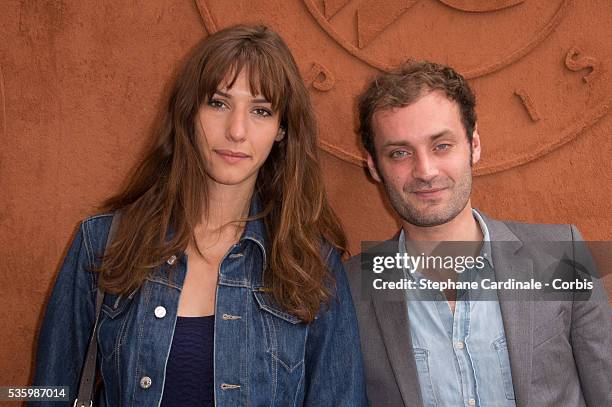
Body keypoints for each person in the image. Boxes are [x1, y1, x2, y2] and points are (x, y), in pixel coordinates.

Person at [32, 24, 367, 407]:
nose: (236, 131)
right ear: (189, 110)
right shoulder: (103, 244)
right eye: (218, 103)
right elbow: (47, 393)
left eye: (260, 110)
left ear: (281, 130)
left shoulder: (312, 266)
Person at [346, 60, 612, 406]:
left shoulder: (562, 256)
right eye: (400, 153)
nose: (425, 171)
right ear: (374, 167)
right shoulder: (349, 287)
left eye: (442, 146)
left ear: (473, 146)